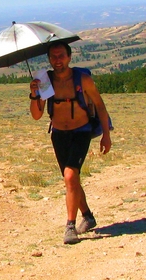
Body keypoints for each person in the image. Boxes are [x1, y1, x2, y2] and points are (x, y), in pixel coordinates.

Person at [29, 42, 112, 244]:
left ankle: (70, 226)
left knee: (69, 175)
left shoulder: (82, 80)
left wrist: (106, 134)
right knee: (71, 180)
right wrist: (34, 94)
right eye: (53, 57)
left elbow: (100, 106)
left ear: (69, 57)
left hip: (81, 131)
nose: (57, 61)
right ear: (49, 59)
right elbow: (37, 115)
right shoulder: (45, 81)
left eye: (61, 56)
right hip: (58, 134)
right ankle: (88, 216)